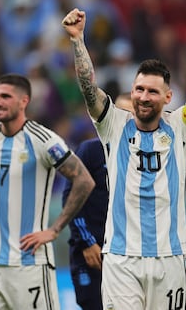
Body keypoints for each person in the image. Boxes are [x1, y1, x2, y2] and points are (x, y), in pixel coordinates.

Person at [62, 8, 186, 310]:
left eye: (152, 91)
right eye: (138, 89)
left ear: (168, 97)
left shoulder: (181, 126)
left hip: (170, 258)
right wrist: (78, 40)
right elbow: (89, 89)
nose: (143, 96)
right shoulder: (113, 124)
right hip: (121, 258)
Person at [0, 73, 95, 310]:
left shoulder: (42, 140)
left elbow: (83, 180)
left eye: (5, 96)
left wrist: (54, 229)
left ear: (23, 101)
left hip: (31, 263)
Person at [62, 98, 134, 310]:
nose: (125, 120)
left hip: (127, 253)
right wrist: (86, 241)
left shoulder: (142, 156)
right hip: (91, 252)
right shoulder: (90, 150)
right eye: (120, 113)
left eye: (130, 115)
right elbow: (70, 198)